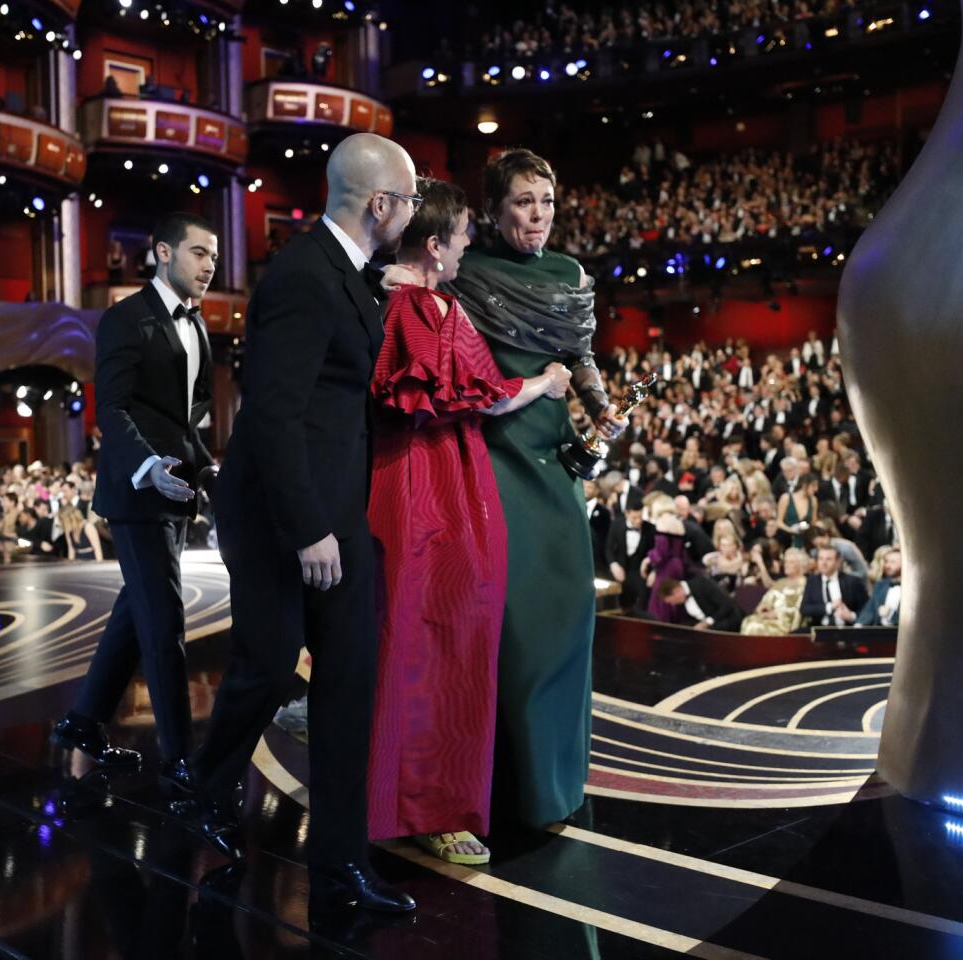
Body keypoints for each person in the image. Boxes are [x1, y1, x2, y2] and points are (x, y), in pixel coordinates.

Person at [193, 133, 419, 914]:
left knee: (350, 679)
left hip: (335, 510)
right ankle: (202, 781)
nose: (415, 213)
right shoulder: (302, 277)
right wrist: (307, 530)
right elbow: (276, 417)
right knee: (266, 661)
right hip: (282, 515)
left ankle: (339, 865)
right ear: (379, 204)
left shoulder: (346, 274)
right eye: (410, 199)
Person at [365, 178, 573, 866]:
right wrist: (543, 384)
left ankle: (419, 799)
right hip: (434, 487)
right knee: (440, 642)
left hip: (422, 479)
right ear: (436, 245)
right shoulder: (426, 308)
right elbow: (477, 397)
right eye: (459, 239)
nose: (467, 249)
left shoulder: (411, 298)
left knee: (423, 639)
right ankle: (432, 806)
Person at [444, 148, 625, 828]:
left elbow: (579, 352)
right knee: (511, 625)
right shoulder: (467, 274)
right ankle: (506, 791)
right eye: (523, 201)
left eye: (546, 201)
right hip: (492, 452)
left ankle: (556, 785)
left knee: (567, 615)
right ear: (493, 210)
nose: (538, 215)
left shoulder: (569, 272)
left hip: (555, 459)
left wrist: (598, 403)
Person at [51, 213, 217, 799]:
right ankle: (179, 760)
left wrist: (210, 470)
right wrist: (150, 466)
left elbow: (188, 421)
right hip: (138, 493)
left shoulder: (198, 327)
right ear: (163, 252)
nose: (209, 264)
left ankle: (80, 723)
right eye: (199, 252)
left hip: (177, 491)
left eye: (214, 255)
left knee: (136, 612)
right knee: (164, 621)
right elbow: (112, 411)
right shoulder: (125, 318)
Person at [741, 548, 811, 635]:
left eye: (791, 562)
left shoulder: (806, 584)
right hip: (768, 618)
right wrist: (763, 606)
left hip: (785, 622)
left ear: (801, 565)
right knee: (748, 621)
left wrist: (777, 613)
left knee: (756, 627)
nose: (786, 565)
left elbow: (800, 610)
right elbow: (767, 600)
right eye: (785, 562)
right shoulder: (780, 582)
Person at [800, 545, 870, 628]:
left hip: (847, 629)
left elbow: (868, 609)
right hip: (820, 628)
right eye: (821, 559)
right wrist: (829, 607)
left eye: (828, 559)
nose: (824, 563)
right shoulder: (812, 581)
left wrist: (851, 616)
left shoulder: (853, 582)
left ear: (838, 562)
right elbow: (804, 609)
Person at [657, 576, 744, 632]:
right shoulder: (682, 602)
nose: (673, 604)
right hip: (709, 628)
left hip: (729, 620)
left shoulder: (702, 584)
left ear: (676, 591)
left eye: (672, 601)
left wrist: (707, 622)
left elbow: (727, 606)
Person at [857, 547, 902, 626]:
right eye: (886, 561)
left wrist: (890, 613)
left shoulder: (911, 589)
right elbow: (869, 610)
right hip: (879, 633)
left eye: (892, 562)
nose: (887, 565)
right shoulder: (880, 585)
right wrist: (858, 626)